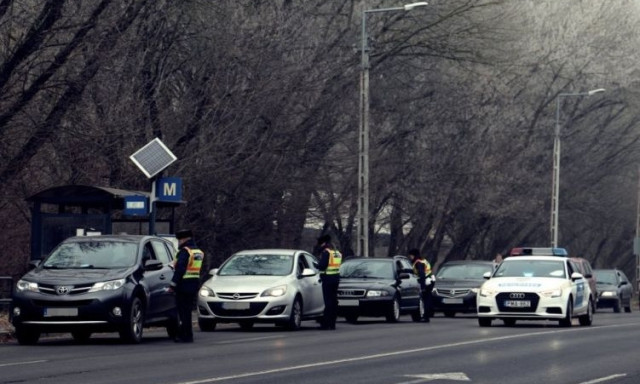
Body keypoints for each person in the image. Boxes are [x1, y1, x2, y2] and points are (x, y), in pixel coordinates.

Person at [168, 229, 204, 343]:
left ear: (183, 239)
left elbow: (180, 269)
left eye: (179, 240)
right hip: (194, 284)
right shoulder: (198, 251)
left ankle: (185, 335)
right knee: (187, 311)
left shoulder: (185, 251)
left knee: (183, 312)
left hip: (183, 285)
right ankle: (188, 334)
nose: (179, 242)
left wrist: (172, 285)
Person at [316, 234, 342, 330]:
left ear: (324, 243)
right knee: (334, 301)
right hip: (336, 278)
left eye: (321, 243)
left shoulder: (326, 252)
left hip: (327, 279)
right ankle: (332, 323)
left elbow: (322, 266)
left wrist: (317, 265)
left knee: (328, 302)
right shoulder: (337, 252)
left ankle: (326, 324)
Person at [408, 248, 433, 323]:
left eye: (411, 255)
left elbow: (421, 274)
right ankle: (426, 316)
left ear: (414, 255)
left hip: (425, 282)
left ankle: (426, 317)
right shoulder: (423, 260)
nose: (410, 257)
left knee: (425, 300)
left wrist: (422, 287)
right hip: (429, 281)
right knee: (427, 300)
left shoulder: (418, 263)